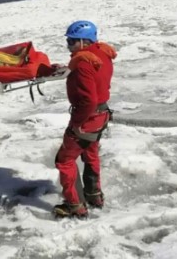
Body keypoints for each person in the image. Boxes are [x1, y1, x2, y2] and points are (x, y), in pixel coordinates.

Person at [52, 20, 117, 218]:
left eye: (72, 41)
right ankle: (94, 195)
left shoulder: (83, 63)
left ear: (83, 41)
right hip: (102, 115)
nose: (69, 45)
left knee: (65, 160)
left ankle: (75, 205)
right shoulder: (101, 53)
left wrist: (77, 125)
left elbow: (88, 100)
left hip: (88, 118)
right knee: (90, 153)